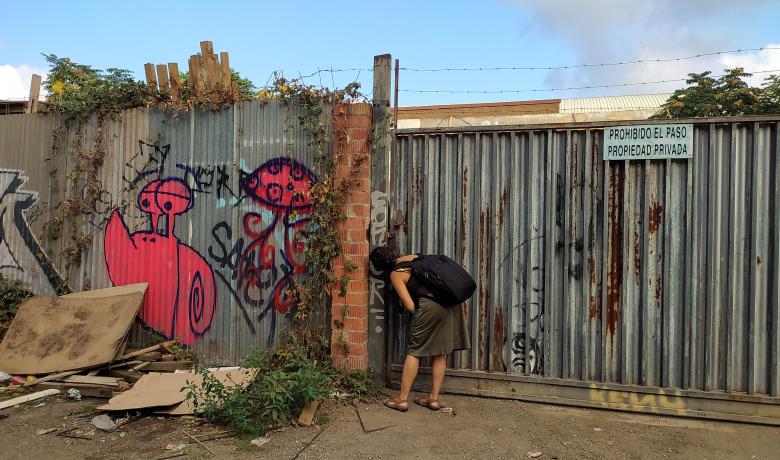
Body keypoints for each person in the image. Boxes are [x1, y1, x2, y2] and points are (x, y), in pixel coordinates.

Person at [370, 246, 471, 412]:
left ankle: (402, 400)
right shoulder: (411, 258)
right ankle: (433, 399)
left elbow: (410, 305)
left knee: (415, 351)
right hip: (451, 302)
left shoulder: (395, 274)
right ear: (393, 253)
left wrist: (419, 315)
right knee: (441, 351)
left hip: (430, 305)